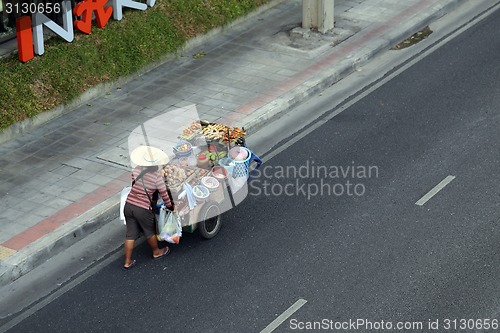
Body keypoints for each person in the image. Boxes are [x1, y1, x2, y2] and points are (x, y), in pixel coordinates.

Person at [123, 146, 175, 270]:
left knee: (130, 234)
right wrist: (170, 206)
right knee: (149, 231)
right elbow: (164, 194)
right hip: (142, 209)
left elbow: (134, 184)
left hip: (128, 205)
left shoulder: (136, 170)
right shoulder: (157, 177)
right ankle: (156, 252)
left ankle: (127, 262)